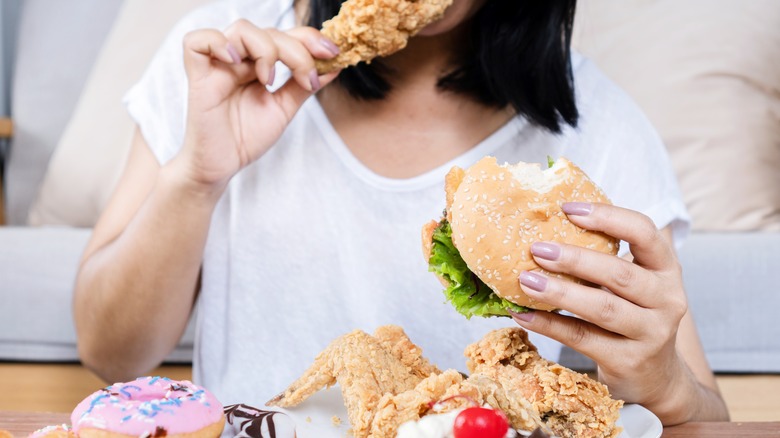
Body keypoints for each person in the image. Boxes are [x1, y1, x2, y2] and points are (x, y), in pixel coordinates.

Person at [72, 0, 729, 425]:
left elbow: (704, 415)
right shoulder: (219, 57)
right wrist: (196, 177)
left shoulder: (601, 128)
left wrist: (668, 387)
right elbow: (110, 354)